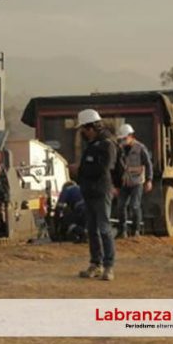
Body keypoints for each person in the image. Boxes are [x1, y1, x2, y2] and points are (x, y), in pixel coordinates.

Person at [72, 109, 117, 281]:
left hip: (100, 191)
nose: (82, 132)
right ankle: (95, 264)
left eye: (83, 128)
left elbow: (104, 169)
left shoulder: (106, 144)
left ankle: (108, 267)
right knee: (92, 230)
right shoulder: (91, 145)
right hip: (89, 191)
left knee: (104, 229)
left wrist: (80, 169)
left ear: (90, 127)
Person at [115, 124, 153, 238]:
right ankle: (122, 231)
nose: (123, 141)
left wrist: (149, 180)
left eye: (125, 138)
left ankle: (136, 230)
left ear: (131, 136)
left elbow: (148, 164)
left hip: (137, 182)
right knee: (121, 206)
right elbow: (117, 167)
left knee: (134, 206)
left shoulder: (140, 148)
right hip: (125, 182)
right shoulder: (120, 150)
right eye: (121, 139)